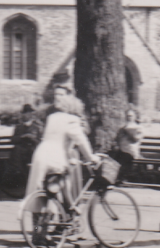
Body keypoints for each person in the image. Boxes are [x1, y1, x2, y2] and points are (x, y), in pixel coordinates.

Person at [22, 85, 96, 214]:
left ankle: (41, 226)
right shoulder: (72, 119)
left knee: (41, 187)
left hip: (41, 153)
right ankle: (70, 208)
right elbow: (81, 140)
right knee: (64, 181)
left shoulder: (52, 117)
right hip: (57, 155)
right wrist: (91, 157)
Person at [108, 106, 144, 185]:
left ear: (135, 117)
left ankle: (122, 178)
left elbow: (136, 139)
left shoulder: (138, 128)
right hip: (121, 151)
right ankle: (112, 178)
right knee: (112, 155)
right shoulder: (122, 128)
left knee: (123, 157)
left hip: (132, 152)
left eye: (130, 116)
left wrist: (128, 131)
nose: (128, 118)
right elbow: (116, 140)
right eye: (127, 116)